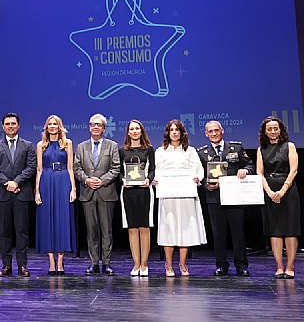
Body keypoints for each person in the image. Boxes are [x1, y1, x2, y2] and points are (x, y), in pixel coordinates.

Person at [197, 120, 254, 277]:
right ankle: (221, 265)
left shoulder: (236, 148)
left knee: (238, 233)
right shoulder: (201, 153)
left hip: (235, 197)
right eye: (211, 131)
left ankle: (241, 265)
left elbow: (250, 165)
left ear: (222, 131)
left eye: (216, 130)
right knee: (218, 234)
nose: (214, 133)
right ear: (206, 134)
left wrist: (245, 170)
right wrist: (206, 185)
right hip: (214, 198)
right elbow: (199, 176)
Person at [154, 119, 206, 277]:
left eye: (177, 130)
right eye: (172, 130)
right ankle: (168, 265)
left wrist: (198, 178)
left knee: (185, 229)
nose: (174, 133)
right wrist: (155, 181)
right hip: (168, 196)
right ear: (168, 133)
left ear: (182, 133)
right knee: (168, 229)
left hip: (186, 195)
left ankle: (183, 264)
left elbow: (199, 170)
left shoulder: (190, 151)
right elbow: (155, 170)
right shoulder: (160, 151)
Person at [0, 112, 37, 277]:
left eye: (13, 123)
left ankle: (22, 265)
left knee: (22, 231)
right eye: (7, 124)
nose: (10, 126)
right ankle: (6, 266)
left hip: (21, 193)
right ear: (3, 126)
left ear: (18, 125)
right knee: (4, 231)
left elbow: (31, 167)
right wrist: (7, 183)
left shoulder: (28, 145)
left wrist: (16, 182)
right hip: (2, 194)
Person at [74, 113, 121, 276]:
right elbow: (76, 168)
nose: (95, 127)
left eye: (98, 125)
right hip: (87, 193)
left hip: (106, 192)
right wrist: (87, 180)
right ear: (89, 127)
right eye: (92, 124)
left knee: (106, 231)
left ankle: (106, 263)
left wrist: (101, 181)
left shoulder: (112, 146)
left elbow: (116, 168)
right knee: (91, 231)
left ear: (104, 128)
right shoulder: (81, 147)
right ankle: (94, 263)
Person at [257, 116, 300, 279]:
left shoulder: (289, 146)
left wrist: (282, 190)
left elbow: (294, 170)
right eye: (270, 129)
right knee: (274, 230)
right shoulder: (261, 149)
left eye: (276, 128)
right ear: (265, 132)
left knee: (290, 229)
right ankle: (279, 267)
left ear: (281, 129)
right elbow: (260, 173)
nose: (273, 131)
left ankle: (290, 266)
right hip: (269, 189)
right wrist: (268, 191)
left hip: (288, 190)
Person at [34, 115, 77, 276]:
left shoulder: (67, 144)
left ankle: (61, 260)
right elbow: (38, 169)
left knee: (62, 219)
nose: (52, 126)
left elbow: (71, 167)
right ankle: (51, 261)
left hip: (62, 180)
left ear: (60, 127)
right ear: (46, 127)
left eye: (55, 124)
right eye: (50, 124)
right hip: (46, 180)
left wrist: (73, 189)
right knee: (48, 219)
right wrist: (37, 191)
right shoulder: (41, 145)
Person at [119, 119, 155, 277]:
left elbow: (153, 169)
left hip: (145, 192)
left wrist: (149, 179)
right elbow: (119, 171)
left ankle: (145, 264)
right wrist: (123, 180)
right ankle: (136, 264)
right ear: (128, 132)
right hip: (128, 192)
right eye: (131, 129)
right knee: (132, 228)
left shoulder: (149, 149)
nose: (134, 131)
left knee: (144, 228)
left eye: (137, 129)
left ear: (141, 131)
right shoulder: (122, 151)